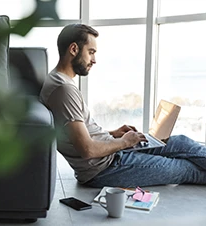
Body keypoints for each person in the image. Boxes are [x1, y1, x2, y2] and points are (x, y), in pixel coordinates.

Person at [40, 24, 206, 188]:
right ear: (74, 49)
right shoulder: (63, 89)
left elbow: (77, 134)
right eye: (91, 52)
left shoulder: (58, 80)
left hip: (112, 152)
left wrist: (113, 133)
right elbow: (87, 150)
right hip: (105, 168)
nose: (94, 60)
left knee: (181, 143)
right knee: (185, 168)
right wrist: (125, 142)